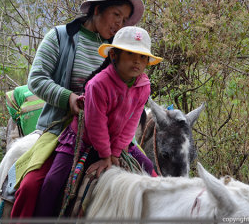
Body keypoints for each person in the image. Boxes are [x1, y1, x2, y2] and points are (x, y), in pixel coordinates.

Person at [10, 0, 145, 220]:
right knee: (31, 186)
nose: (119, 23)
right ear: (97, 9)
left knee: (151, 178)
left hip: (112, 134)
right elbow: (37, 79)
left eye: (124, 20)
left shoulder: (120, 50)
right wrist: (68, 98)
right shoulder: (61, 37)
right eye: (116, 14)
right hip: (63, 129)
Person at [33, 26, 163, 217]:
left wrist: (117, 151)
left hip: (119, 142)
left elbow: (132, 120)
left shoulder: (143, 86)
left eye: (143, 57)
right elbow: (95, 123)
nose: (137, 61)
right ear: (114, 55)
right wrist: (105, 155)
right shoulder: (98, 84)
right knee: (53, 181)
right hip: (84, 139)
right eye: (130, 53)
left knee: (149, 169)